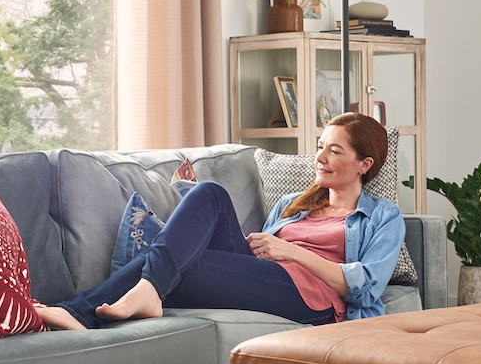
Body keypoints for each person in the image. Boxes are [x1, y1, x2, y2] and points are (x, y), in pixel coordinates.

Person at [36, 112, 405, 331]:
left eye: (334, 150)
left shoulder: (383, 217)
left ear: (364, 164)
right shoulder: (295, 204)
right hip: (267, 274)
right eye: (320, 145)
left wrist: (289, 250)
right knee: (209, 193)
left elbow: (363, 286)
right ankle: (135, 293)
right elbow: (257, 257)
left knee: (183, 264)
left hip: (313, 300)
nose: (320, 157)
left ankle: (78, 310)